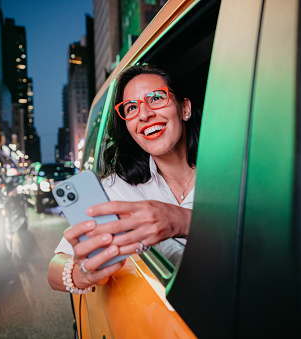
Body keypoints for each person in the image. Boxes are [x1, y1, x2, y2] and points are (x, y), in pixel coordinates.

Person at [47, 64, 201, 293]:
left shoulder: (234, 171)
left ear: (185, 108)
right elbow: (54, 270)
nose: (145, 114)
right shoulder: (117, 189)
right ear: (128, 126)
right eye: (131, 108)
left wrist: (182, 221)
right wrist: (83, 274)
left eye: (156, 98)